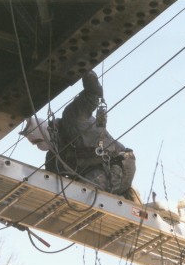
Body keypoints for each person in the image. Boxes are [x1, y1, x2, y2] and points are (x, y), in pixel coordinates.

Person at [20, 71, 140, 204]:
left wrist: (86, 71)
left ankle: (121, 195)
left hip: (118, 164)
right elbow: (49, 182)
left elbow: (93, 94)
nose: (47, 148)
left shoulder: (72, 118)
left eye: (41, 142)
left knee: (80, 195)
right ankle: (122, 194)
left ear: (49, 131)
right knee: (67, 193)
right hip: (96, 172)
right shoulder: (54, 158)